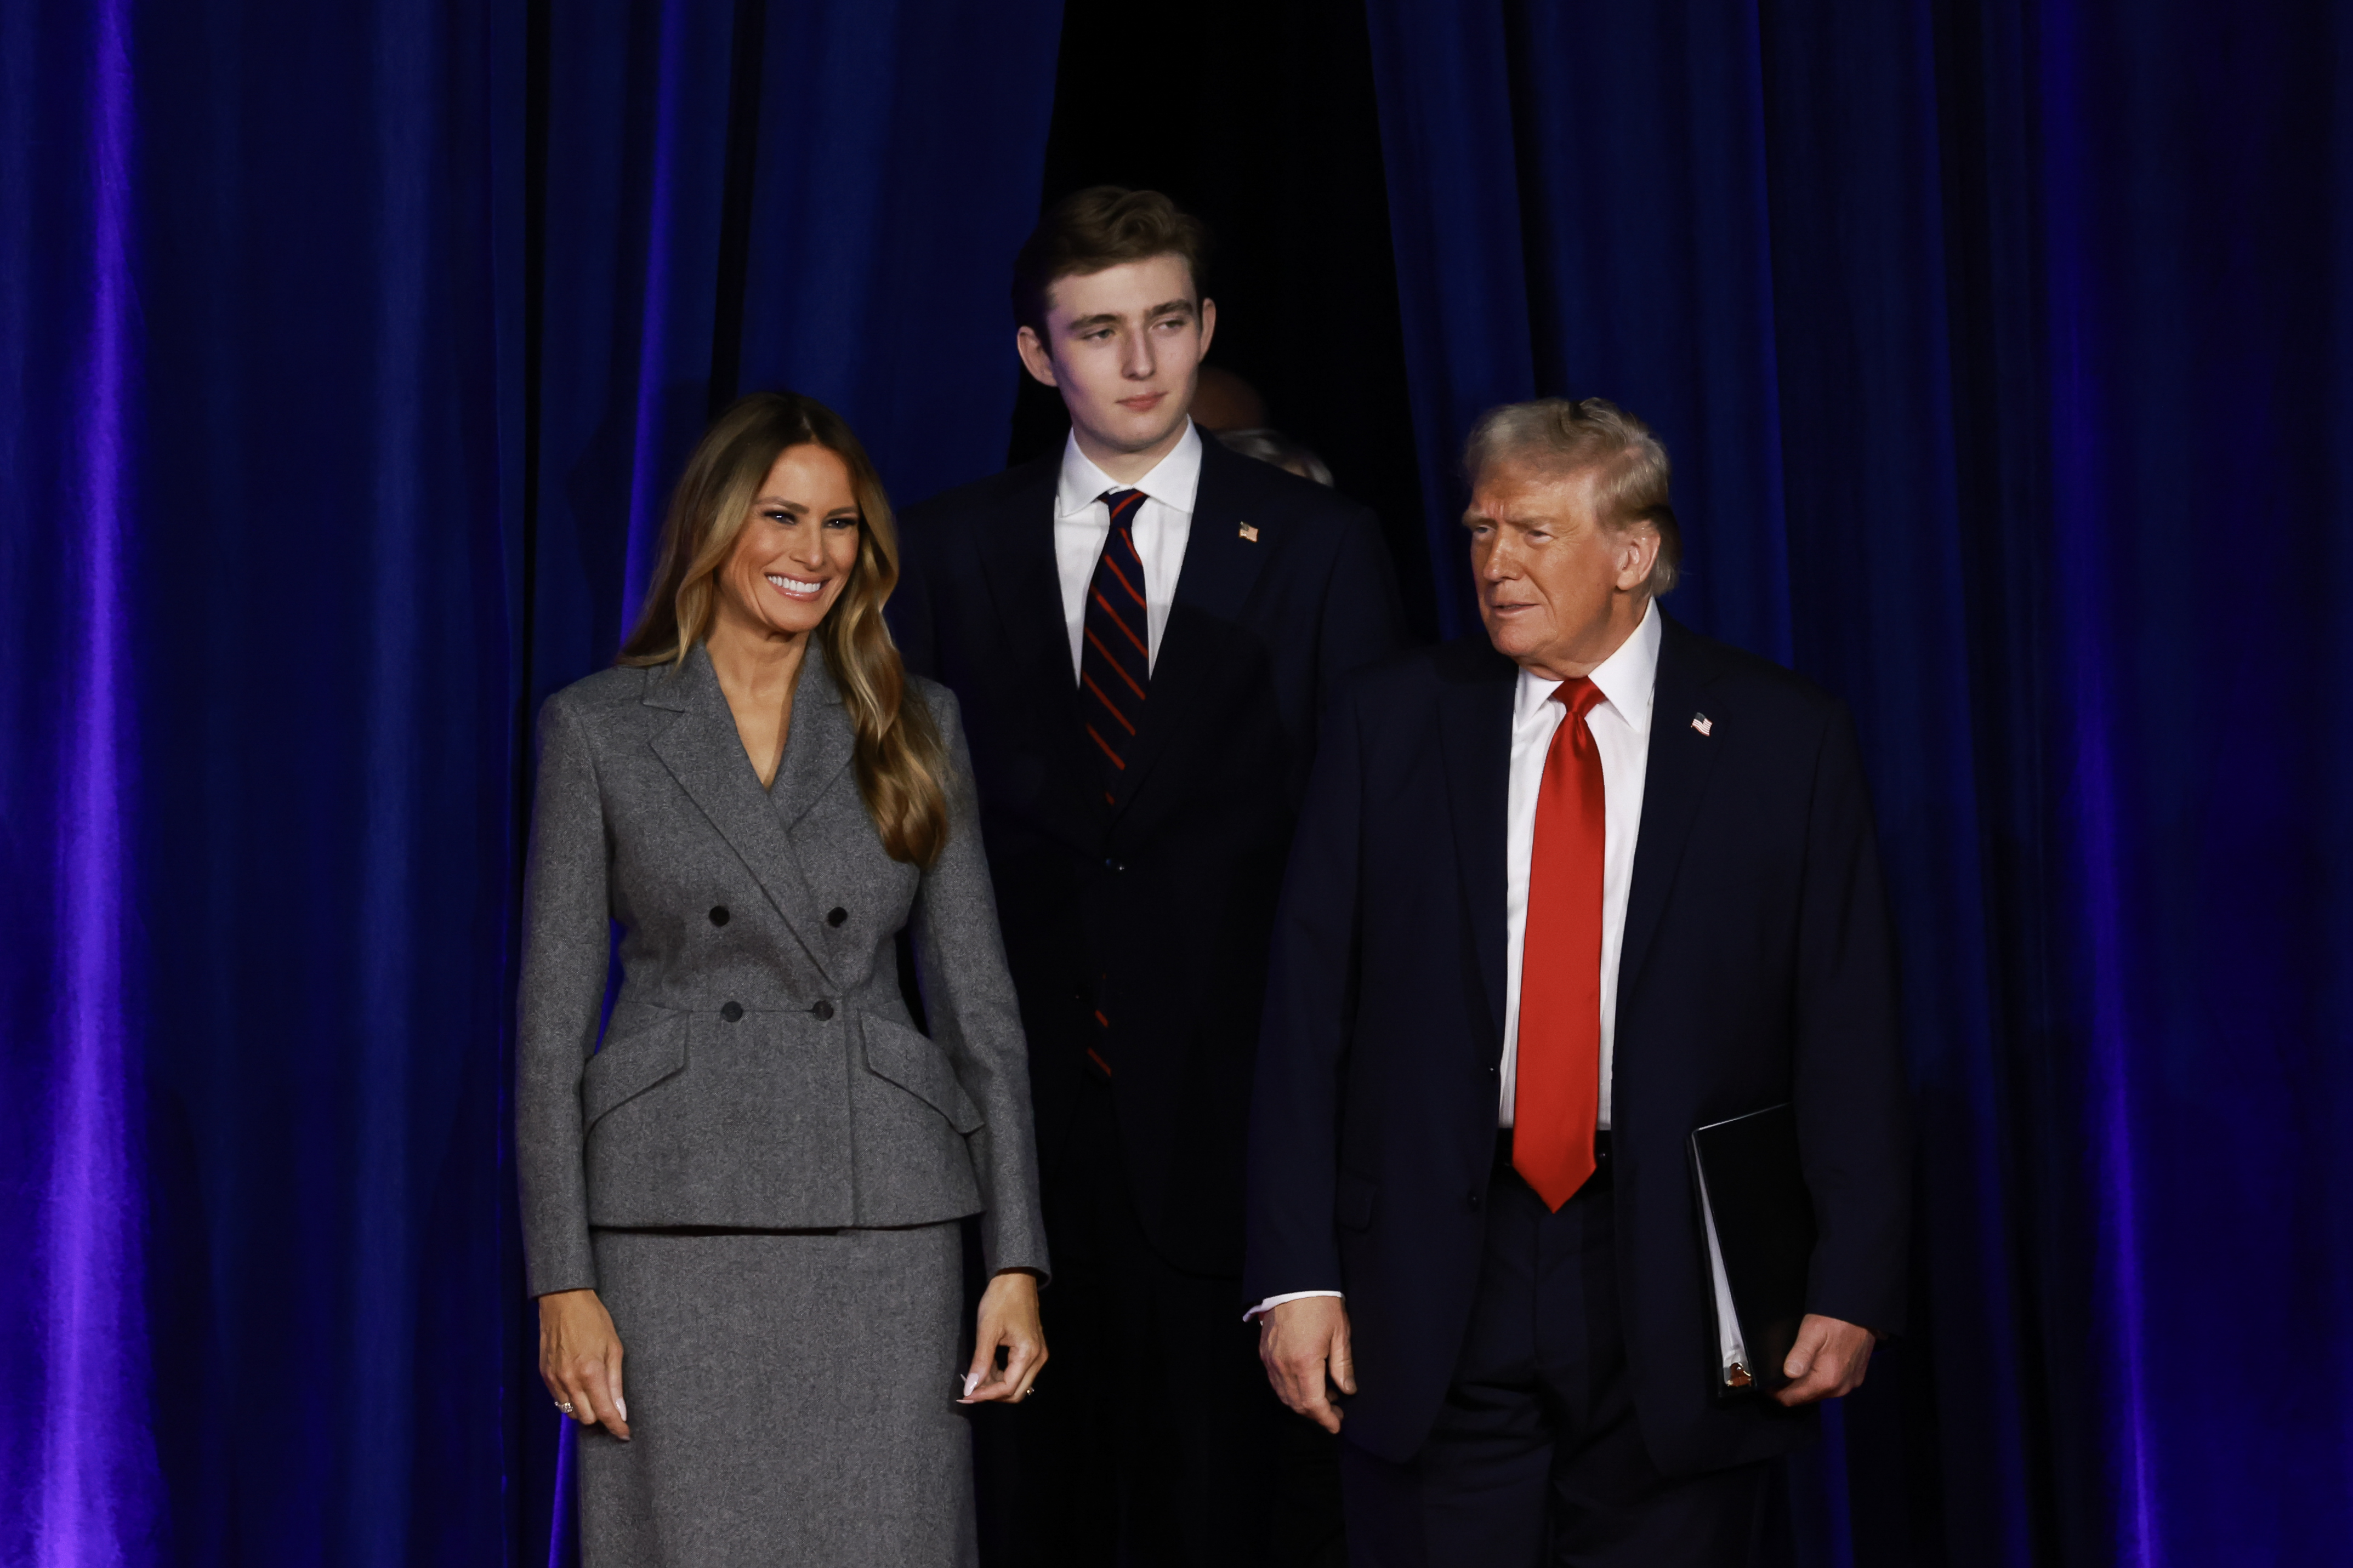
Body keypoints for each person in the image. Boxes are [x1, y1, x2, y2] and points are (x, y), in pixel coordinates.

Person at [1246, 398, 1911, 1565]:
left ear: (1633, 554)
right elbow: (1305, 1017)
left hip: (1677, 1269)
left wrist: (1850, 1278)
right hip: (1438, 1264)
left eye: (1533, 534)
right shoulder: (1391, 723)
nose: (1494, 564)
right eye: (1479, 531)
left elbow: (1845, 1027)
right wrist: (1294, 1274)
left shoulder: (1780, 738)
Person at [889, 187, 1405, 1566]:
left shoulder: (1318, 548)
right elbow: (903, 854)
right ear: (1034, 354)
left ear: (1205, 328)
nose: (1139, 364)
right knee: (1022, 1518)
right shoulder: (944, 551)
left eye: (1166, 324)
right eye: (1100, 331)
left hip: (1245, 1143)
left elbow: (1374, 863)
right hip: (1015, 1148)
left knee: (1236, 1522)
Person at [516, 391, 1051, 1567]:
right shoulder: (598, 730)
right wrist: (564, 1281)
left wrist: (1015, 1258)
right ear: (717, 527)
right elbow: (550, 1036)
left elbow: (982, 1011)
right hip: (670, 1221)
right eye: (782, 516)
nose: (813, 554)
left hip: (886, 1222)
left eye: (841, 524)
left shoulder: (913, 724)